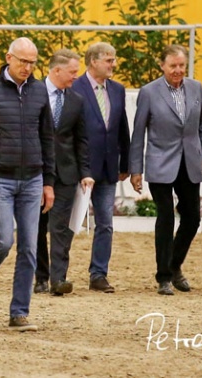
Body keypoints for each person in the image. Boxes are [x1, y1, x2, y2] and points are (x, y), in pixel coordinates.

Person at [0, 37, 55, 332]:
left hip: (32, 179)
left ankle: (19, 311)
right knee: (3, 241)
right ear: (9, 58)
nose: (28, 68)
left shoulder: (40, 90)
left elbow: (47, 139)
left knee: (30, 247)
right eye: (23, 61)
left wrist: (48, 182)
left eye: (32, 62)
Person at [129, 44, 202, 296]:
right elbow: (138, 133)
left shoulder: (196, 88)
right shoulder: (149, 92)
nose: (177, 70)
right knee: (165, 217)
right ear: (162, 66)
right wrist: (136, 169)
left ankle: (174, 265)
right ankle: (164, 276)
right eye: (172, 66)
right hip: (160, 162)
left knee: (192, 218)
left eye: (181, 66)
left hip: (189, 161)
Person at [34, 49, 94, 296]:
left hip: (66, 173)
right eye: (72, 72)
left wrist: (85, 172)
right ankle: (41, 277)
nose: (75, 77)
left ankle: (59, 278)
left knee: (61, 228)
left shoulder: (76, 100)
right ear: (56, 70)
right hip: (36, 171)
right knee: (37, 227)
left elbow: (81, 139)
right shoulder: (33, 93)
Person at [72, 42, 130, 293]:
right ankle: (56, 272)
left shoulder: (117, 90)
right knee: (66, 221)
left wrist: (125, 162)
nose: (113, 64)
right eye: (108, 60)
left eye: (114, 59)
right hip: (77, 166)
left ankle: (98, 273)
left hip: (107, 167)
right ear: (93, 61)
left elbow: (121, 127)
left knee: (105, 222)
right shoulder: (74, 87)